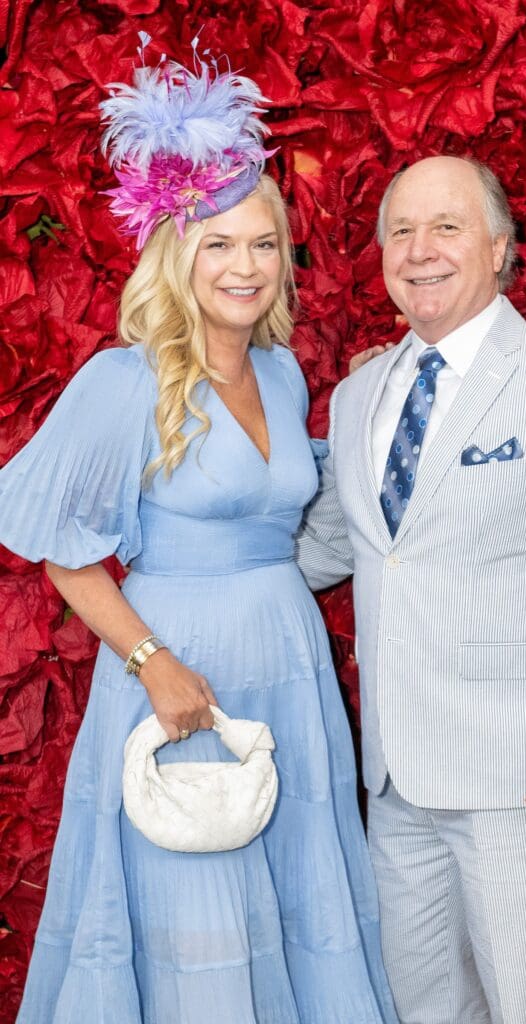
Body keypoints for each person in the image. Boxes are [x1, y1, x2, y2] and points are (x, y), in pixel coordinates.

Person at [0, 45, 397, 1024]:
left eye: (264, 244)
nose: (245, 266)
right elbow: (59, 546)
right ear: (176, 255)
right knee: (196, 910)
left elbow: (299, 526)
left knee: (299, 896)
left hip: (289, 668)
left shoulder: (284, 377)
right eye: (217, 244)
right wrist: (151, 660)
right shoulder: (125, 379)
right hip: (178, 672)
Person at [296, 155, 526, 1024]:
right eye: (399, 232)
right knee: (422, 1008)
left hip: (522, 774)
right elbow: (330, 549)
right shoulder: (356, 395)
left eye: (446, 227)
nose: (420, 250)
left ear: (499, 248)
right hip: (393, 777)